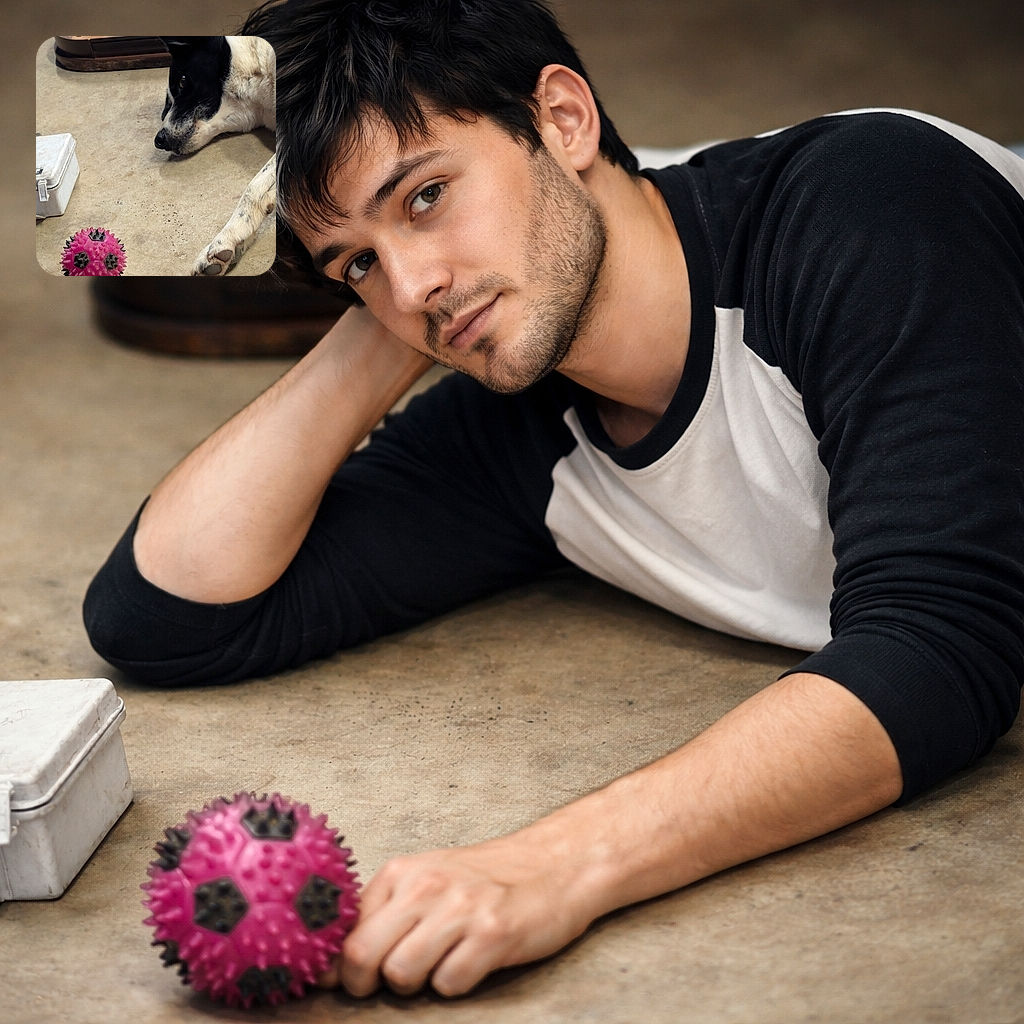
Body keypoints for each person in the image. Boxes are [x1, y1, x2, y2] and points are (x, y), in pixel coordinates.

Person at [84, 0, 1024, 1000]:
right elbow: (163, 614)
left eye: (427, 194)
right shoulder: (523, 416)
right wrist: (394, 293)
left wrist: (548, 867)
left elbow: (942, 646)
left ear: (564, 120)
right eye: (356, 267)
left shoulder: (871, 201)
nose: (413, 287)